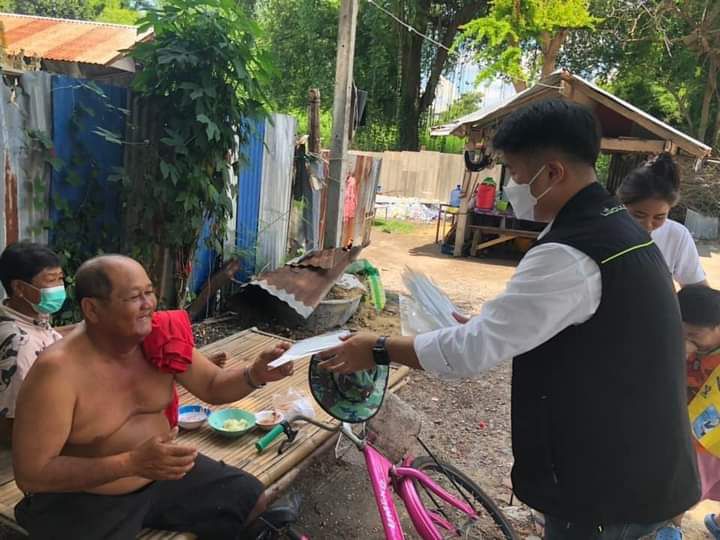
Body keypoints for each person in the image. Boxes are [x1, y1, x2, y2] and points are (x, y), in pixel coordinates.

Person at [319, 99, 700, 539]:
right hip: (641, 467)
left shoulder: (572, 250)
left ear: (553, 172)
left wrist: (377, 348)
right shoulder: (615, 225)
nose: (512, 186)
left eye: (517, 174)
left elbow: (471, 353)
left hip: (609, 493)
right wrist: (493, 324)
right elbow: (573, 322)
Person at [12, 255, 294, 539]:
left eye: (149, 292)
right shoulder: (58, 372)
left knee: (249, 497)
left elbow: (212, 384)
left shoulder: (159, 336)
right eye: (134, 297)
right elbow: (32, 473)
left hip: (162, 476)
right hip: (86, 498)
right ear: (92, 309)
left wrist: (255, 374)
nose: (148, 304)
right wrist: (131, 463)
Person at [0, 242, 66, 445]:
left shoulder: (32, 318)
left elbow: (47, 335)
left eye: (60, 279)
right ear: (19, 288)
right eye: (51, 280)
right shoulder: (19, 344)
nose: (59, 288)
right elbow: (11, 424)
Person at [618, 153, 707, 287]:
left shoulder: (676, 236)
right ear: (622, 205)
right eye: (639, 215)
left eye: (659, 217)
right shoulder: (605, 232)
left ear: (669, 210)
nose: (648, 225)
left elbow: (697, 288)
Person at [677, 286, 720, 539]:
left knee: (690, 483)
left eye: (694, 335)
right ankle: (670, 526)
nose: (687, 341)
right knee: (686, 483)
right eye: (682, 333)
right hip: (696, 433)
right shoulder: (694, 348)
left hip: (710, 435)